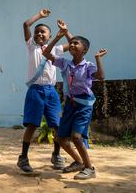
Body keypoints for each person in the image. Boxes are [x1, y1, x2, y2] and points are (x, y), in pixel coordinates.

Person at [42, 26, 107, 180]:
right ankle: (78, 162)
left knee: (77, 137)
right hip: (70, 104)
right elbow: (46, 53)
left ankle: (90, 168)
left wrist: (98, 59)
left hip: (84, 105)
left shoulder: (88, 66)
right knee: (60, 139)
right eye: (70, 43)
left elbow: (101, 76)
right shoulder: (65, 63)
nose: (71, 45)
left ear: (84, 50)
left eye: (76, 44)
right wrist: (58, 37)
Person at [17, 14, 71, 173]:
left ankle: (56, 155)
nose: (40, 34)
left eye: (43, 32)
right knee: (32, 125)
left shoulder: (56, 49)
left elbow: (74, 43)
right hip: (35, 90)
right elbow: (25, 24)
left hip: (51, 91)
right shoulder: (31, 46)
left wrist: (66, 31)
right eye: (37, 32)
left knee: (57, 125)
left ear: (50, 35)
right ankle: (23, 158)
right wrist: (39, 15)